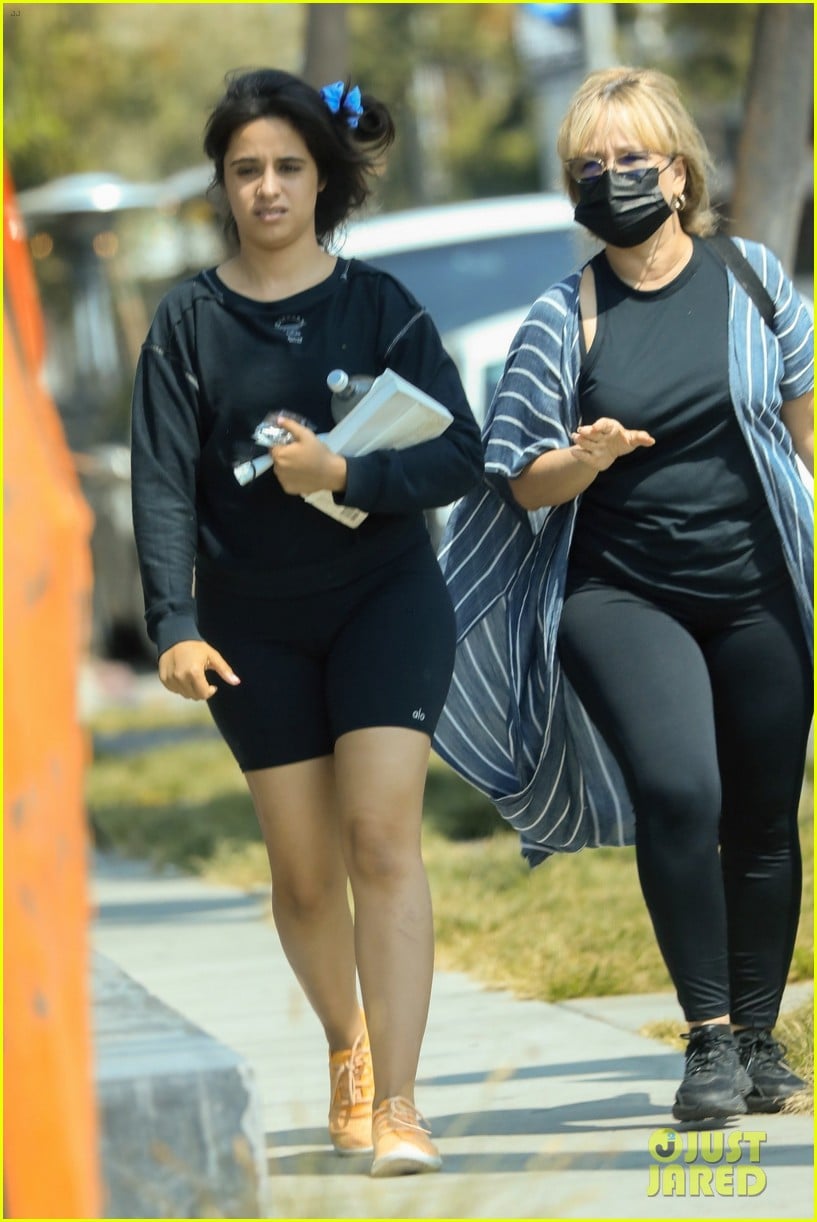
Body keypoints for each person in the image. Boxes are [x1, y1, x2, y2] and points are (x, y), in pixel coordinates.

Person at [433, 66, 813, 1123]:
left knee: (764, 815)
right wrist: (585, 458)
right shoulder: (565, 317)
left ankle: (754, 1034)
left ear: (678, 171)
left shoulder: (754, 280)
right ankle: (703, 1039)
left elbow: (801, 428)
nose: (610, 181)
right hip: (621, 592)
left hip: (758, 589)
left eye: (629, 161)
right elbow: (519, 476)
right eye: (587, 167)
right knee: (682, 792)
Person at [130, 68, 483, 1177]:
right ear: (222, 186)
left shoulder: (380, 306)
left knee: (381, 838)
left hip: (384, 598)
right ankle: (350, 1047)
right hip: (251, 626)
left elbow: (458, 453)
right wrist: (174, 622)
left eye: (287, 166)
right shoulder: (186, 321)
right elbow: (160, 485)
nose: (267, 187)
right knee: (298, 872)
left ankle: (404, 1105)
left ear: (319, 177)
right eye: (246, 170)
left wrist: (348, 469)